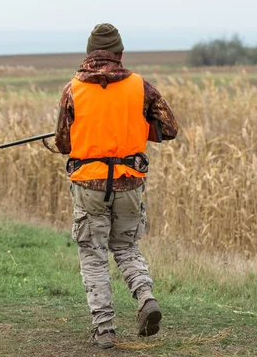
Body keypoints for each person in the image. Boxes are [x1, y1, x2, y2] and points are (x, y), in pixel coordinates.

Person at [49, 23, 178, 348]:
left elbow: (64, 143)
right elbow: (169, 128)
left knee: (93, 254)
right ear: (120, 54)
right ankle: (145, 298)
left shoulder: (72, 89)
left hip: (88, 185)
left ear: (89, 54)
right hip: (130, 182)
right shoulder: (141, 87)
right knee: (125, 246)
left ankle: (105, 329)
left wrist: (60, 142)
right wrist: (136, 124)